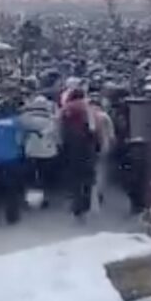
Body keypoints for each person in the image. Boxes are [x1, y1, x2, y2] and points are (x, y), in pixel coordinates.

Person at [59, 88, 99, 222]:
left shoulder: (65, 109)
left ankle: (77, 206)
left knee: (74, 177)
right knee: (87, 177)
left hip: (70, 146)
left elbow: (60, 127)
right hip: (86, 146)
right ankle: (85, 204)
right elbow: (93, 128)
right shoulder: (88, 108)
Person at [21, 95, 59, 208]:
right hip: (47, 152)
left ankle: (29, 200)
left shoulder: (25, 118)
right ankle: (43, 199)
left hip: (30, 150)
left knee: (30, 177)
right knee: (44, 177)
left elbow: (22, 136)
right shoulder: (52, 119)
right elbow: (56, 136)